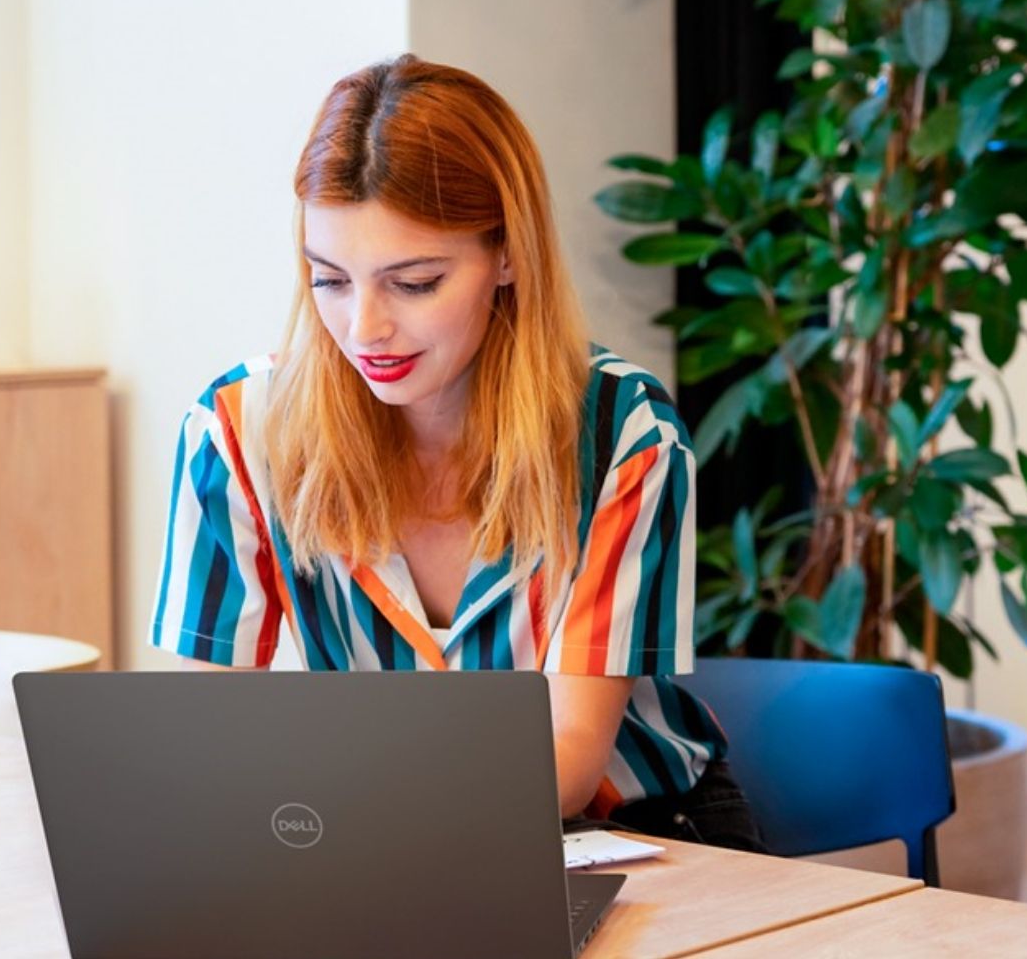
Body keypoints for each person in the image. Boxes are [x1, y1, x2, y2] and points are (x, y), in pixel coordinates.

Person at [148, 54, 763, 850]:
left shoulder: (624, 432)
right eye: (329, 280)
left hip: (633, 833)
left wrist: (344, 819)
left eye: (414, 282)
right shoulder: (236, 430)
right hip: (382, 839)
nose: (364, 329)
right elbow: (211, 733)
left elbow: (570, 759)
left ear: (508, 256)